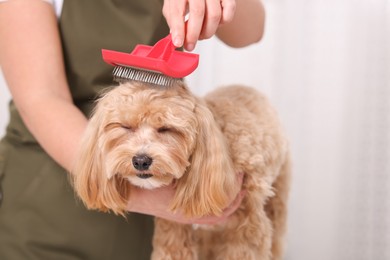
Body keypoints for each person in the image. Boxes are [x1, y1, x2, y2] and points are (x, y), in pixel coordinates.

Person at [0, 0, 265, 259]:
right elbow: (42, 99)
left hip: (154, 208)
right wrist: (145, 199)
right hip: (50, 196)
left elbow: (251, 31)